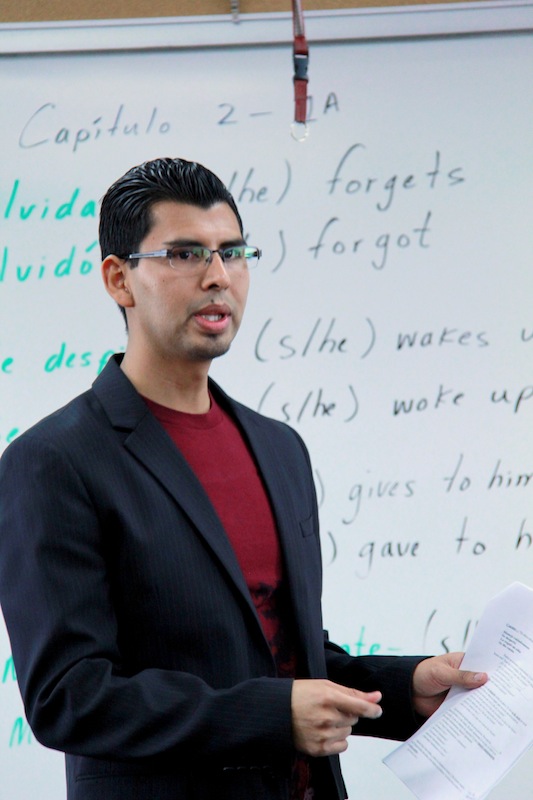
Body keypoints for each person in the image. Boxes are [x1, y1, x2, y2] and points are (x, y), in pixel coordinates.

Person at [0, 157, 487, 800]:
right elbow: (71, 696)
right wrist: (268, 715)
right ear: (119, 279)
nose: (218, 277)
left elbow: (285, 656)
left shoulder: (279, 448)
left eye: (233, 252)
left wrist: (405, 687)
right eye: (183, 254)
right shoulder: (54, 460)